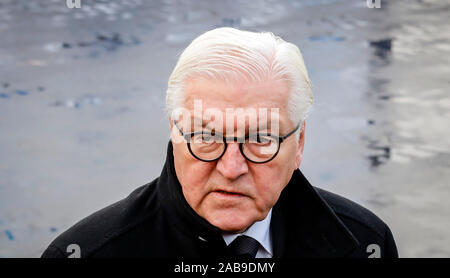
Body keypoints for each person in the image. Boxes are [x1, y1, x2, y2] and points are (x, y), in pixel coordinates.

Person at [41, 27, 398, 258]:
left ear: (299, 143)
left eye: (261, 138)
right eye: (207, 137)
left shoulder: (366, 243)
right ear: (174, 132)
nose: (231, 169)